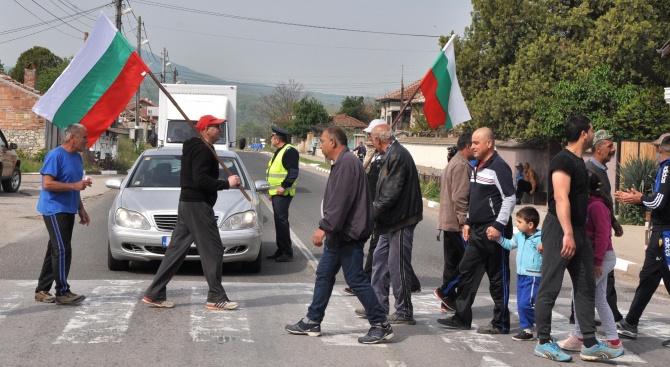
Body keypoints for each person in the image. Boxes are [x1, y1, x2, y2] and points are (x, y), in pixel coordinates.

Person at [285, 127, 393, 344]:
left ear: (333, 143)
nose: (320, 145)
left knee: (355, 279)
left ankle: (380, 324)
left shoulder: (346, 164)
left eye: (323, 141)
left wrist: (324, 227)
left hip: (347, 233)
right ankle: (313, 320)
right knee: (324, 274)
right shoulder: (345, 163)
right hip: (340, 233)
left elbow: (340, 201)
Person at [532, 115, 622, 362]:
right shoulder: (563, 160)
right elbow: (561, 198)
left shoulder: (578, 161)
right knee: (550, 286)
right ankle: (543, 341)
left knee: (585, 287)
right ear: (584, 133)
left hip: (578, 231)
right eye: (592, 130)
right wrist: (568, 234)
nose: (593, 134)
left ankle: (590, 344)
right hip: (562, 230)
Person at [143, 115, 241, 310]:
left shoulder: (197, 147)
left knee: (176, 250)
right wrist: (226, 184)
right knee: (213, 249)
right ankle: (216, 296)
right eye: (216, 127)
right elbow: (200, 180)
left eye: (220, 127)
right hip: (198, 205)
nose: (220, 130)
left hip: (187, 203)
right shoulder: (203, 150)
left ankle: (154, 293)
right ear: (205, 130)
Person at [437, 127, 515, 334]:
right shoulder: (477, 167)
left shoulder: (499, 167)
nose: (472, 146)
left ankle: (501, 323)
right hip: (478, 231)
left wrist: (498, 226)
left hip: (494, 233)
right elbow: (476, 199)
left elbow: (509, 198)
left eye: (476, 143)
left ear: (489, 143)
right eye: (471, 143)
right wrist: (469, 222)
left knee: (498, 280)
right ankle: (461, 318)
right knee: (465, 270)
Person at [615, 134, 670, 348]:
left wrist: (639, 199)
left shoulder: (667, 168)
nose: (655, 151)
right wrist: (642, 198)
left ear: (661, 149)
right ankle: (631, 322)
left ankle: (630, 322)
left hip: (665, 232)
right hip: (660, 231)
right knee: (648, 276)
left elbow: (659, 201)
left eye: (657, 147)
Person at [558, 171, 623, 351]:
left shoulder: (597, 207)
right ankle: (614, 340)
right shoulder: (588, 204)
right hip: (597, 258)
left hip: (601, 258)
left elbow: (603, 236)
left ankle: (579, 336)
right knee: (599, 298)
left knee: (580, 294)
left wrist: (597, 261)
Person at [365, 123, 423, 325]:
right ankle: (377, 307)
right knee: (379, 264)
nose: (370, 142)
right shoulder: (389, 155)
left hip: (401, 219)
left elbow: (390, 194)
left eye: (371, 138)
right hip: (388, 221)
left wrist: (369, 214)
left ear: (379, 139)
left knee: (397, 266)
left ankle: (404, 310)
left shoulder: (398, 155)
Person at [568, 129, 623, 324]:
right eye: (609, 146)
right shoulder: (590, 170)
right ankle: (581, 318)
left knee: (601, 282)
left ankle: (606, 316)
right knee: (593, 281)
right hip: (594, 239)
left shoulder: (600, 169)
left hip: (599, 236)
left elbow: (604, 200)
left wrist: (614, 222)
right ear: (598, 149)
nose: (613, 149)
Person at [34, 124, 91, 305]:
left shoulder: (77, 158)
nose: (87, 141)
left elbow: (75, 185)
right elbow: (47, 184)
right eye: (84, 138)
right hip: (53, 209)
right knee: (63, 249)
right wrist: (74, 186)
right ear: (72, 137)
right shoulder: (55, 155)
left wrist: (80, 208)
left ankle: (42, 290)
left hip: (68, 208)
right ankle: (62, 292)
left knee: (56, 249)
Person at [434, 132, 474, 312]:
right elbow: (460, 197)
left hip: (449, 222)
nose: (476, 149)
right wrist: (464, 222)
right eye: (474, 145)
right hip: (456, 224)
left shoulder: (454, 162)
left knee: (452, 263)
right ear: (467, 146)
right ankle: (445, 292)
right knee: (468, 263)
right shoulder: (462, 165)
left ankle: (447, 301)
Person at [496, 207, 542, 341]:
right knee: (521, 303)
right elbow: (509, 245)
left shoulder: (540, 238)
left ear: (530, 224)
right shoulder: (520, 236)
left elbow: (548, 247)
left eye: (519, 221)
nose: (517, 224)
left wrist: (544, 244)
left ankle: (542, 326)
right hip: (521, 275)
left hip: (533, 276)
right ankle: (527, 330)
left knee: (526, 304)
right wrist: (498, 238)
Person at [266, 126, 299, 262]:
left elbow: (293, 172)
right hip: (277, 193)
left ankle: (286, 252)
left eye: (272, 137)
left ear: (277, 139)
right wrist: (272, 191)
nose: (271, 140)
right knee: (279, 222)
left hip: (283, 192)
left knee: (281, 222)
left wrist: (283, 186)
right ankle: (281, 250)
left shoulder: (289, 151)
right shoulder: (280, 151)